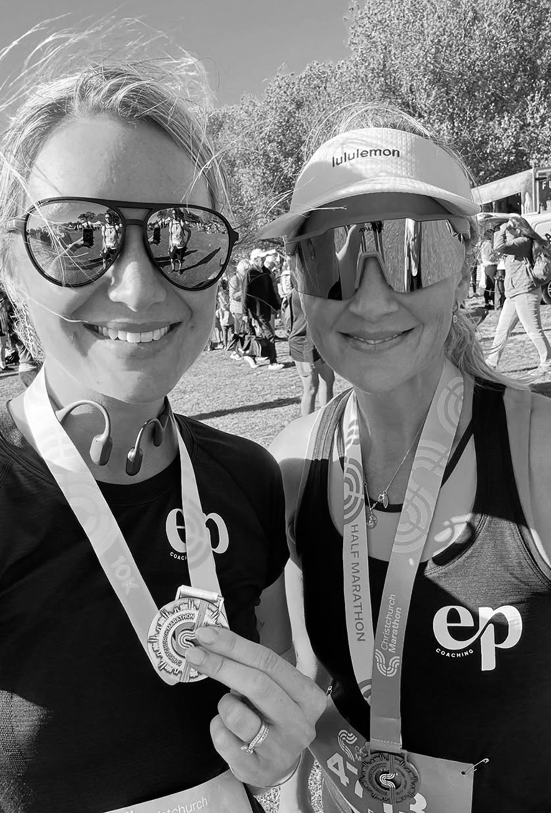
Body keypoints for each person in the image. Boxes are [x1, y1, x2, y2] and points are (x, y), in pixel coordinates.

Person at [0, 21, 324, 813]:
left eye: (180, 236)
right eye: (75, 237)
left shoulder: (246, 477)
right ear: (5, 254)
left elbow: (279, 731)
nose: (136, 287)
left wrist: (285, 763)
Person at [262, 105, 551, 813]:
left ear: (465, 264)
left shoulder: (538, 449)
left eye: (409, 249)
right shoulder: (286, 466)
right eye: (329, 255)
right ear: (297, 279)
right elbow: (304, 685)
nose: (368, 295)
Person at [486, 215, 551, 378]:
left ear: (518, 229)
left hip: (525, 292)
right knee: (502, 330)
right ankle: (491, 363)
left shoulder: (522, 243)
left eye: (509, 229)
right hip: (514, 293)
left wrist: (501, 229)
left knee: (533, 330)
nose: (506, 231)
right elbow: (495, 252)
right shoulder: (516, 245)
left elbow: (499, 246)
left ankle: (547, 364)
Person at [280, 270, 335, 416]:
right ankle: (307, 425)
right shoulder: (301, 293)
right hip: (302, 342)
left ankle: (327, 420)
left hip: (319, 339)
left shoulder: (315, 289)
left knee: (328, 379)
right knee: (311, 387)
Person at [244, 252, 283, 371]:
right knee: (270, 334)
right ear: (255, 260)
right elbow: (245, 292)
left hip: (266, 308)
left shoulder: (266, 273)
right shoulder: (250, 273)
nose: (262, 260)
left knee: (263, 335)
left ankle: (250, 355)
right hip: (256, 310)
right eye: (260, 258)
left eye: (263, 258)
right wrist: (245, 312)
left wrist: (277, 307)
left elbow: (271, 292)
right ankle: (273, 361)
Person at [479, 229, 498, 309]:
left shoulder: (483, 244)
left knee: (488, 285)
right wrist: (497, 255)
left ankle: (487, 302)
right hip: (491, 265)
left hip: (486, 265)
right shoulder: (488, 244)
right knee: (492, 286)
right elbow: (489, 257)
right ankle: (491, 303)